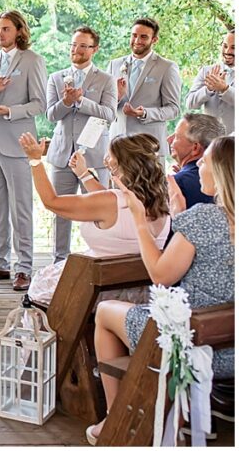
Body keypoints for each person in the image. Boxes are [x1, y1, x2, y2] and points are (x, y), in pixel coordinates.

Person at [86, 136, 234, 445]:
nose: (198, 167)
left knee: (104, 311)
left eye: (204, 162)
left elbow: (159, 275)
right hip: (231, 347)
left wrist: (140, 220)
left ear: (221, 172)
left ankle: (115, 416)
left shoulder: (204, 218)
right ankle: (178, 412)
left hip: (190, 344)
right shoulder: (207, 219)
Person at [20, 133, 170, 305]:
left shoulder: (110, 202)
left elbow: (51, 202)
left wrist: (35, 160)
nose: (106, 159)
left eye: (110, 156)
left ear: (119, 163)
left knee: (39, 288)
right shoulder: (164, 199)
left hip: (96, 291)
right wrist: (84, 175)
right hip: (138, 291)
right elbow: (109, 201)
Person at [0, 11, 48, 292]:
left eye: (6, 28)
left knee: (21, 208)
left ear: (18, 31)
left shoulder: (33, 61)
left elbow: (41, 104)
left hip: (19, 142)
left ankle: (24, 268)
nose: (0, 33)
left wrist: (10, 111)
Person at [44, 26, 116, 263]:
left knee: (97, 210)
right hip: (62, 154)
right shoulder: (55, 77)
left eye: (83, 45)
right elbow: (51, 115)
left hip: (94, 157)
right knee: (60, 210)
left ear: (94, 49)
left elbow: (109, 114)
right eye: (74, 44)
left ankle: (96, 259)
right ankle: (59, 261)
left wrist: (81, 101)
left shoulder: (106, 79)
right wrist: (66, 101)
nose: (76, 49)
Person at [107, 17, 181, 157]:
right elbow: (104, 106)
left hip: (149, 146)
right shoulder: (114, 65)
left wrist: (145, 113)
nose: (137, 41)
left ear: (154, 40)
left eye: (143, 37)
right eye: (134, 35)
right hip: (117, 145)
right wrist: (117, 97)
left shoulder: (167, 67)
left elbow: (173, 109)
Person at [169, 113, 226, 210]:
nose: (169, 139)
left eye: (176, 137)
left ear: (195, 148)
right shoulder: (228, 176)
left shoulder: (176, 185)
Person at [185, 29, 234, 133]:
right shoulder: (206, 71)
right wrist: (208, 89)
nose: (227, 51)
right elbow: (190, 103)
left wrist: (225, 89)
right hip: (209, 142)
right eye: (225, 46)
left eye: (233, 47)